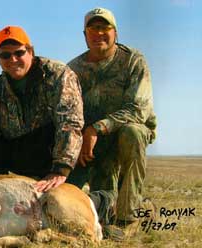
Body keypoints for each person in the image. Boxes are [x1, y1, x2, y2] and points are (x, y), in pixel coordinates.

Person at [0, 25, 84, 192]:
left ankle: (100, 198)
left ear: (30, 51)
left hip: (54, 153)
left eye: (19, 53)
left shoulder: (58, 74)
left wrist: (61, 168)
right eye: (6, 55)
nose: (13, 59)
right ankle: (1, 199)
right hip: (24, 153)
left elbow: (69, 122)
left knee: (61, 203)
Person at [66, 7, 157, 228]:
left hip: (122, 135)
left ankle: (129, 219)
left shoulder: (134, 61)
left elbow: (138, 109)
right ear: (85, 35)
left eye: (104, 27)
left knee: (132, 132)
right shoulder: (72, 69)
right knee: (77, 204)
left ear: (115, 33)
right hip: (90, 145)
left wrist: (96, 128)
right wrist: (74, 141)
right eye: (93, 28)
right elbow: (66, 112)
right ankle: (141, 207)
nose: (99, 33)